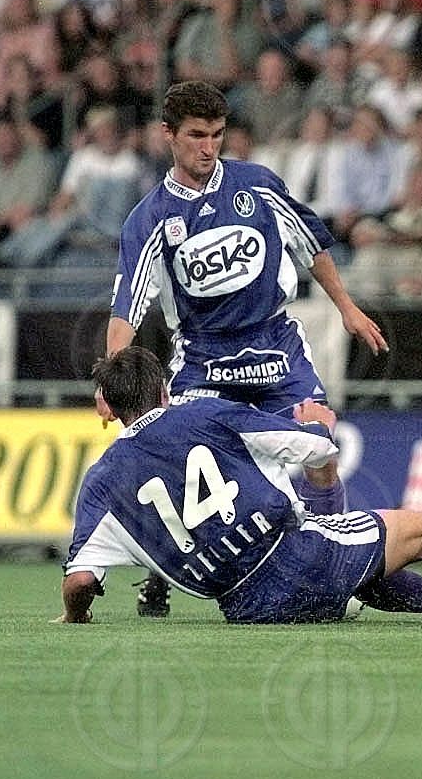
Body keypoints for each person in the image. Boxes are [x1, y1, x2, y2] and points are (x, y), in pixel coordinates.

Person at [59, 348, 422, 625]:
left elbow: (80, 580)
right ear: (164, 390)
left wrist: (76, 616)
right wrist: (317, 426)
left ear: (106, 406)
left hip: (248, 609)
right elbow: (313, 451)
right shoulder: (201, 413)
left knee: (364, 565)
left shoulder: (100, 481)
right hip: (294, 556)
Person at [107, 80, 388, 617]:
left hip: (275, 346)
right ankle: (161, 575)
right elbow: (127, 309)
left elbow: (312, 245)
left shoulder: (256, 185)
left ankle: (336, 568)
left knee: (322, 450)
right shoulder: (150, 218)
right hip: (203, 358)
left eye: (216, 135)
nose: (208, 147)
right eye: (196, 135)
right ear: (168, 135)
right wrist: (112, 380)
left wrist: (347, 308)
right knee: (178, 461)